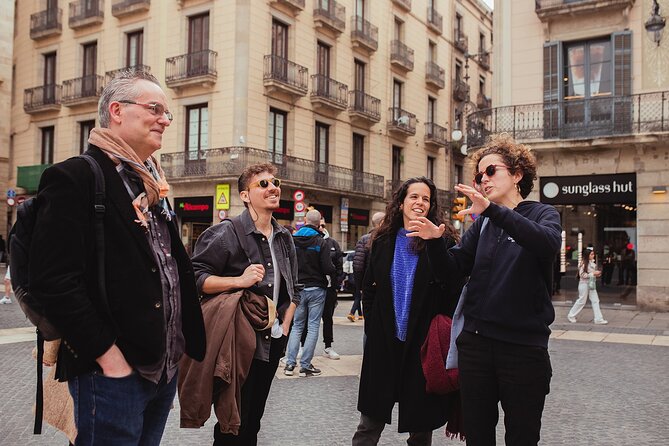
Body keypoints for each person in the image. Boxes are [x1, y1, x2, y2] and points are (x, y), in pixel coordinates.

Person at [29, 69, 206, 445]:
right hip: (112, 373)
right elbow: (54, 281)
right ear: (117, 111)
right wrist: (109, 359)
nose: (165, 119)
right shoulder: (76, 177)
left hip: (161, 370)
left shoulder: (151, 182)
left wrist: (180, 349)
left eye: (168, 113)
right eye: (155, 108)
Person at [408, 134, 562, 445]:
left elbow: (546, 243)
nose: (483, 180)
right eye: (479, 176)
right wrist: (435, 243)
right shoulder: (483, 225)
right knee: (478, 437)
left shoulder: (543, 215)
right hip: (476, 347)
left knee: (522, 436)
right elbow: (452, 273)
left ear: (517, 174)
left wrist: (492, 211)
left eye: (491, 171)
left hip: (523, 348)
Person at [189, 163, 300, 445]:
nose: (273, 187)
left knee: (254, 419)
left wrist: (284, 327)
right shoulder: (227, 233)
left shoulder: (284, 237)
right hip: (238, 341)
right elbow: (195, 277)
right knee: (232, 420)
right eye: (263, 184)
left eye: (275, 182)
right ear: (245, 195)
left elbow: (294, 289)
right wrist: (238, 281)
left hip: (273, 340)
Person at [352, 177, 463, 446]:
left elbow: (453, 288)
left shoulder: (442, 241)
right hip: (384, 343)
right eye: (414, 197)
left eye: (426, 199)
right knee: (369, 422)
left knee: (421, 426)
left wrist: (435, 243)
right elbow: (370, 289)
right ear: (401, 203)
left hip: (423, 344)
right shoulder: (382, 241)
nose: (419, 202)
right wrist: (373, 329)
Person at [283, 209, 335, 377]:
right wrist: (334, 271)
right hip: (317, 288)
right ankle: (305, 365)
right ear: (319, 222)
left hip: (298, 289)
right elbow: (327, 267)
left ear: (305, 220)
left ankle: (289, 365)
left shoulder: (293, 240)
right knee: (312, 326)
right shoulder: (321, 242)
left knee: (297, 325)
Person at [301, 219, 344, 360]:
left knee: (328, 318)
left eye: (324, 225)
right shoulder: (309, 240)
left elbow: (338, 265)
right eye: (319, 225)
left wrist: (336, 285)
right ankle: (303, 346)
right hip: (313, 286)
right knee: (306, 319)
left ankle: (328, 346)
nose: (321, 227)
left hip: (328, 288)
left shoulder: (332, 243)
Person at [347, 211, 385, 322]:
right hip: (384, 286)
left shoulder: (364, 239)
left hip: (368, 286)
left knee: (369, 322)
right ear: (382, 222)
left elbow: (358, 266)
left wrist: (360, 286)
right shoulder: (389, 239)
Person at [567, 248, 608, 325]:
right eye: (591, 254)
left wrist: (597, 274)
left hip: (591, 284)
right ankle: (571, 315)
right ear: (587, 255)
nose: (593, 256)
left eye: (593, 254)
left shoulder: (593, 264)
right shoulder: (583, 263)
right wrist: (593, 274)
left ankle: (598, 319)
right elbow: (582, 275)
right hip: (584, 284)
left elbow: (591, 274)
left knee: (595, 300)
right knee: (582, 300)